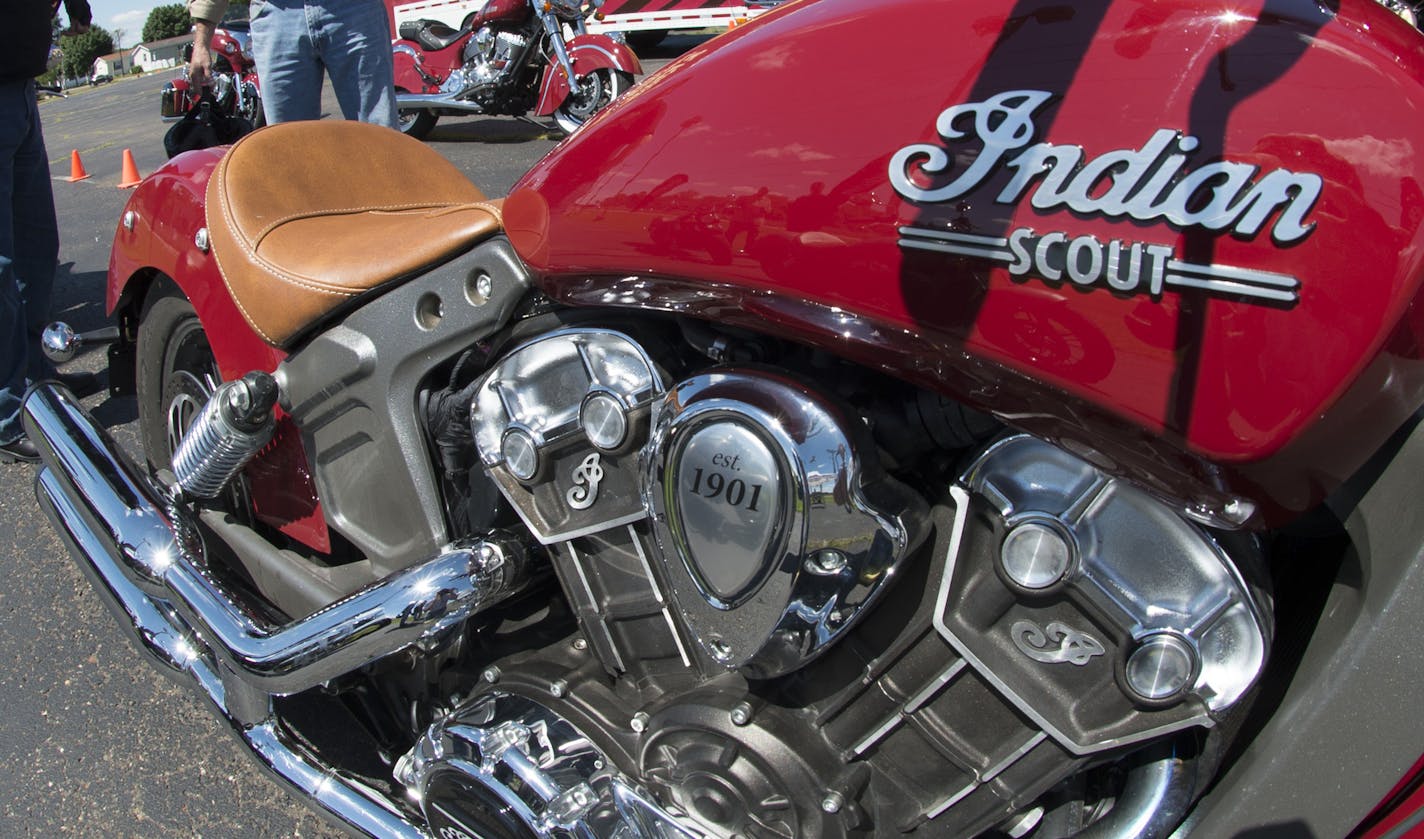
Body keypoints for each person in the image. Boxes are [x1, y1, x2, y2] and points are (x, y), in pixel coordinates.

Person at [1, 0, 94, 464]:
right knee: (1, 265)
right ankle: (6, 409)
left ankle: (37, 378)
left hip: (21, 86)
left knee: (38, 249)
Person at [187, 0, 398, 128]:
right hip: (275, 12)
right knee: (290, 145)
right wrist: (202, 41)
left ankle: (392, 200)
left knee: (379, 131)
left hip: (353, 10)